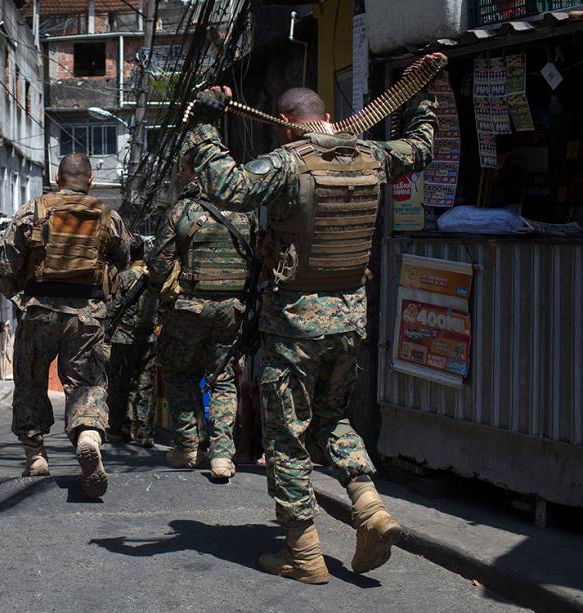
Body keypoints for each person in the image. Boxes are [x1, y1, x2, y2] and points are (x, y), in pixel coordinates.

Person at [182, 59, 441, 583]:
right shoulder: (372, 156)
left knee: (287, 437)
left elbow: (224, 186)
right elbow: (421, 145)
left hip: (295, 329)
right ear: (325, 116)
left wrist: (205, 123)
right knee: (331, 421)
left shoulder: (286, 163)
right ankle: (369, 507)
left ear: (285, 121)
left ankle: (303, 553)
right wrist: (422, 97)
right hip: (349, 323)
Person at [0, 153, 130, 498]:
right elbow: (124, 257)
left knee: (30, 380)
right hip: (87, 312)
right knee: (86, 383)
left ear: (57, 178)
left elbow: (7, 266)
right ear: (89, 182)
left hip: (39, 309)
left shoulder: (32, 211)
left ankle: (36, 454)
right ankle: (87, 434)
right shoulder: (107, 215)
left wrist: (19, 297)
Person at [148, 149, 256, 480]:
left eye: (182, 169)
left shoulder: (182, 211)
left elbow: (159, 266)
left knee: (179, 373)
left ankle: (188, 447)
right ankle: (222, 455)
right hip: (231, 310)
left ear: (195, 174)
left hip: (188, 309)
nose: (179, 175)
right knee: (222, 378)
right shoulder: (244, 211)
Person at [105, 236, 158, 446]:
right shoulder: (153, 278)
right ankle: (144, 432)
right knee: (146, 385)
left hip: (123, 339)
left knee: (120, 384)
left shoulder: (123, 277)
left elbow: (111, 307)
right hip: (148, 338)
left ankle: (119, 428)